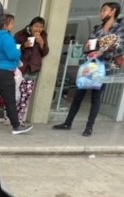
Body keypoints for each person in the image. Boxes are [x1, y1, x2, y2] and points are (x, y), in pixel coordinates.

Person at [53, 2, 124, 137]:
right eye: (101, 11)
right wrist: (90, 47)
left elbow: (119, 48)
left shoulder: (119, 29)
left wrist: (101, 50)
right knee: (79, 93)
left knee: (96, 96)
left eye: (104, 10)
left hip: (104, 66)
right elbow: (87, 46)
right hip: (90, 65)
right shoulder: (98, 28)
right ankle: (68, 123)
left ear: (113, 11)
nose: (101, 13)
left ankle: (89, 127)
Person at [0, 11, 33, 134]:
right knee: (10, 100)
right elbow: (13, 54)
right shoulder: (7, 37)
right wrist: (18, 50)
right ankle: (16, 126)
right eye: (12, 23)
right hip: (6, 71)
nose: (14, 25)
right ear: (5, 25)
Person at [14, 17, 49, 123]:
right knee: (15, 93)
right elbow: (13, 49)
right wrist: (24, 46)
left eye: (41, 27)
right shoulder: (21, 34)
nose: (38, 29)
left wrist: (42, 44)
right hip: (20, 68)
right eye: (36, 26)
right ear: (31, 26)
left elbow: (45, 52)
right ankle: (10, 117)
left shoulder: (43, 36)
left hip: (32, 69)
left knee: (25, 96)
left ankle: (19, 120)